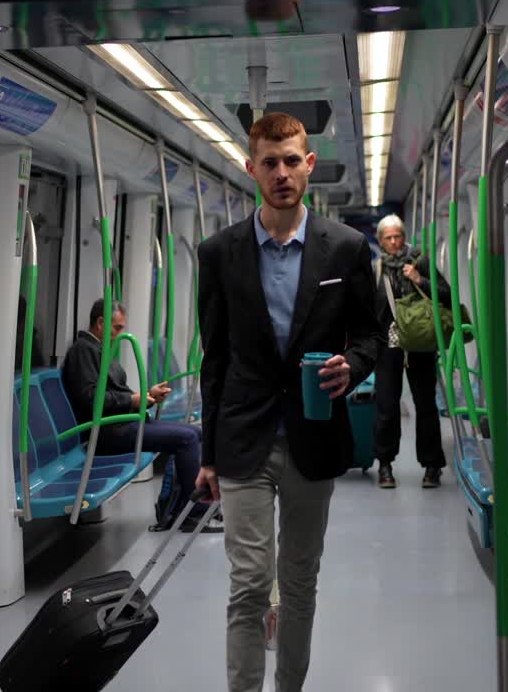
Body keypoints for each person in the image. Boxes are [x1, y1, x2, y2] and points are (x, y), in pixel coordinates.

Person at [195, 112, 383, 692]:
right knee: (250, 582)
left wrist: (352, 366)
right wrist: (207, 455)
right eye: (269, 163)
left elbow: (376, 335)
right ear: (252, 169)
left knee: (299, 581)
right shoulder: (218, 253)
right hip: (243, 437)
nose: (281, 173)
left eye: (291, 160)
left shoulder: (346, 249)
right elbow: (214, 359)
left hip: (313, 433)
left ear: (308, 164)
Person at [61, 298, 221, 532]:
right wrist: (134, 400)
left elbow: (112, 394)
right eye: (117, 328)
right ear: (101, 322)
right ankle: (191, 516)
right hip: (107, 432)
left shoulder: (99, 350)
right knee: (186, 439)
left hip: (121, 424)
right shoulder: (83, 351)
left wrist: (146, 395)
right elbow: (91, 399)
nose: (119, 333)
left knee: (196, 433)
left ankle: (179, 508)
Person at [371, 214, 466, 489]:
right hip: (388, 342)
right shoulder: (376, 269)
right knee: (386, 405)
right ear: (380, 241)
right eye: (387, 238)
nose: (393, 242)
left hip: (420, 343)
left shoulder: (420, 262)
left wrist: (420, 280)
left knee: (425, 403)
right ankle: (385, 465)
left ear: (404, 237)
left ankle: (432, 465)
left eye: (397, 236)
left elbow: (447, 295)